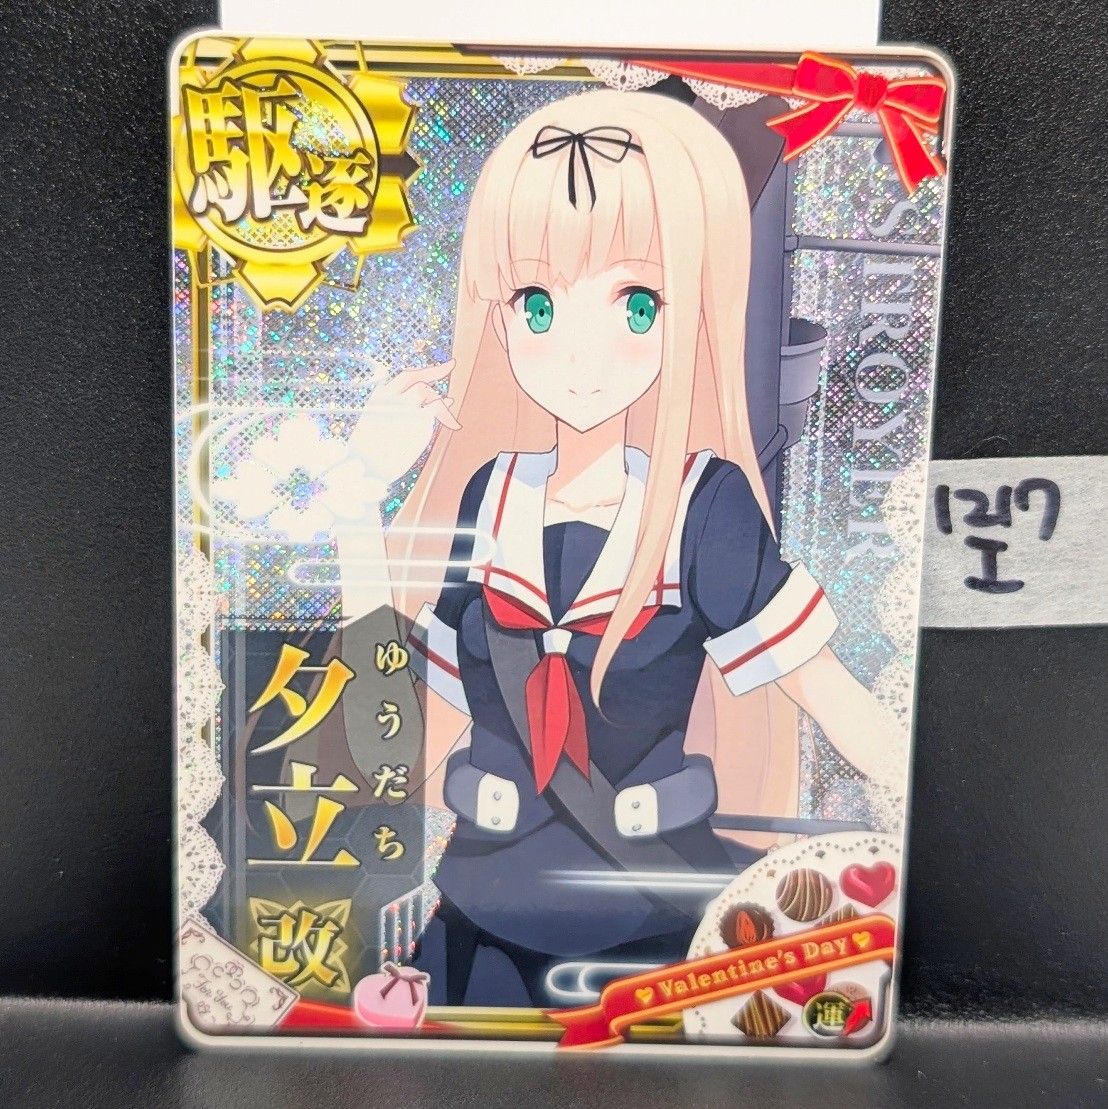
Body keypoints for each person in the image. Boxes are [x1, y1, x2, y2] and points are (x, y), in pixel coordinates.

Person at [337, 89, 894, 1007]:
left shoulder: (702, 507)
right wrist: (358, 497)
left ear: (692, 306)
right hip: (480, 911)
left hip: (654, 923)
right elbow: (393, 719)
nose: (580, 353)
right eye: (538, 303)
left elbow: (831, 695)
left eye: (637, 303)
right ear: (498, 313)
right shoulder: (490, 495)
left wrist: (934, 825)